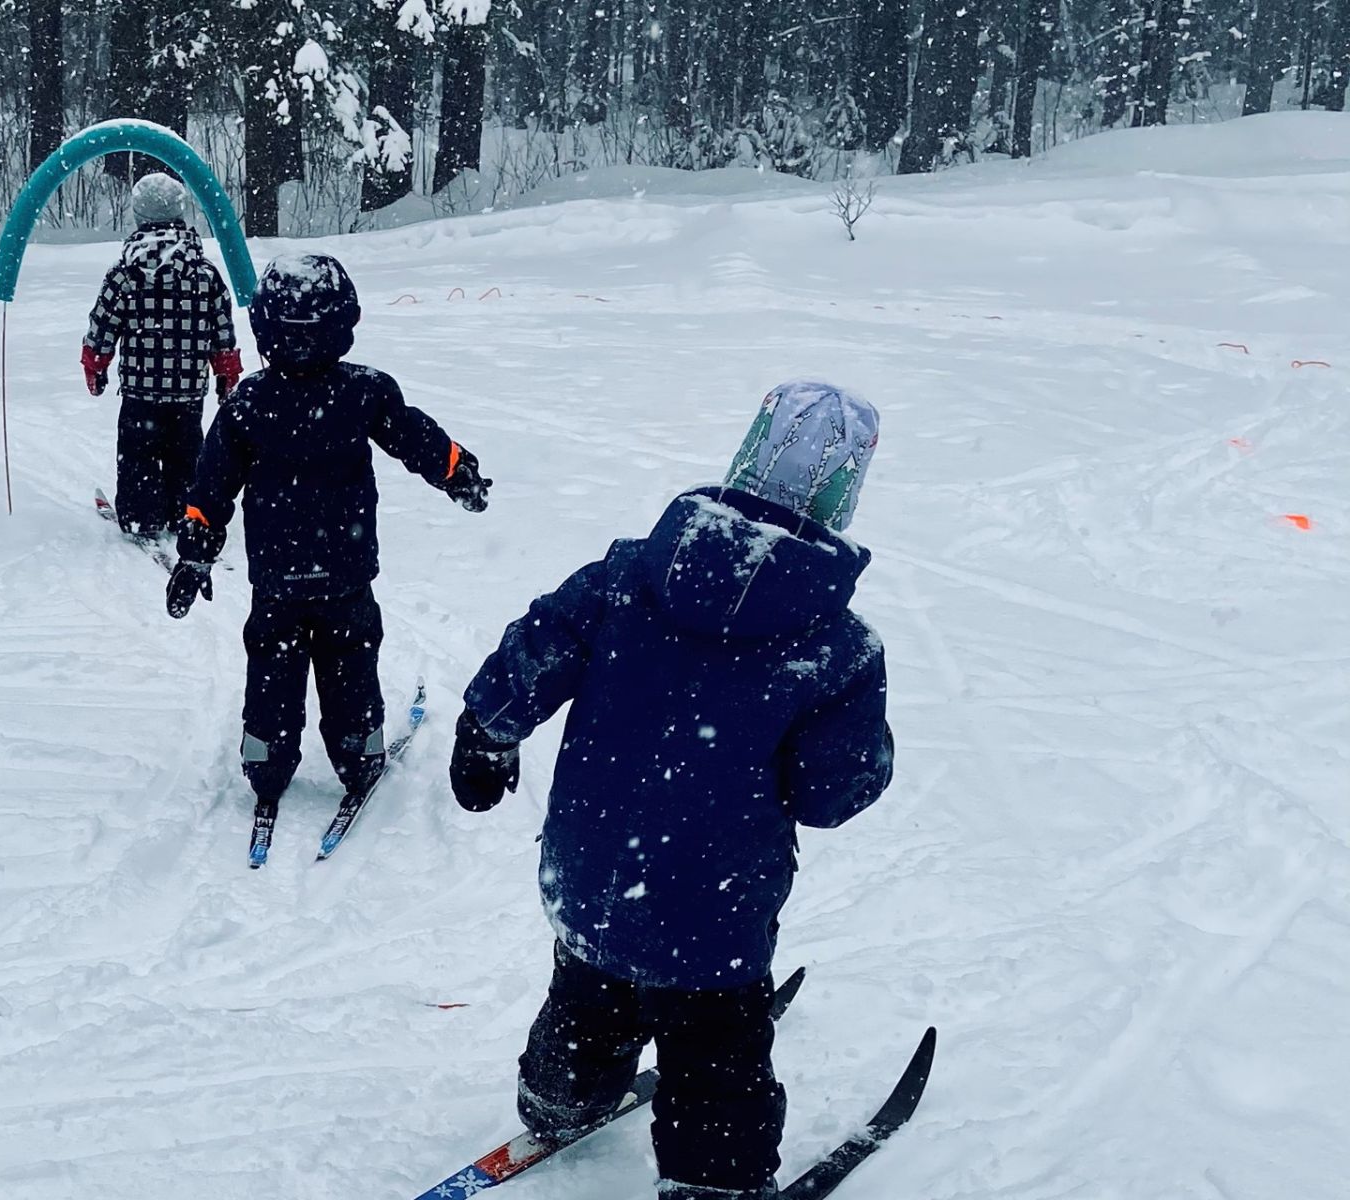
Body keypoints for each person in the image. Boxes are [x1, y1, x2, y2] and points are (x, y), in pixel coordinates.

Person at [448, 380, 894, 1200]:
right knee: (715, 1054)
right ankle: (712, 1181)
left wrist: (487, 730)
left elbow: (535, 649)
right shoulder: (835, 648)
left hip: (592, 871)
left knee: (590, 986)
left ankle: (560, 1093)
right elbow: (831, 795)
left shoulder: (628, 576)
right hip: (712, 909)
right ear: (846, 494)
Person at [168, 253, 490, 809]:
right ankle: (358, 754)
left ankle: (266, 761)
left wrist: (196, 550)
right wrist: (454, 467)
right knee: (351, 664)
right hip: (345, 572)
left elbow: (211, 487)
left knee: (273, 666)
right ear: (344, 325)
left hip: (278, 578)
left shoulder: (249, 403)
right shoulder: (364, 393)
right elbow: (415, 438)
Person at [82, 173, 243, 541]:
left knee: (138, 456)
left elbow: (103, 324)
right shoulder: (205, 274)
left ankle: (141, 516)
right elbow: (222, 328)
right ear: (181, 213)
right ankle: (181, 511)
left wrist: (96, 362)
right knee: (186, 456)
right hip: (188, 388)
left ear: (138, 216)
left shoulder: (124, 275)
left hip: (141, 390)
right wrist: (226, 373)